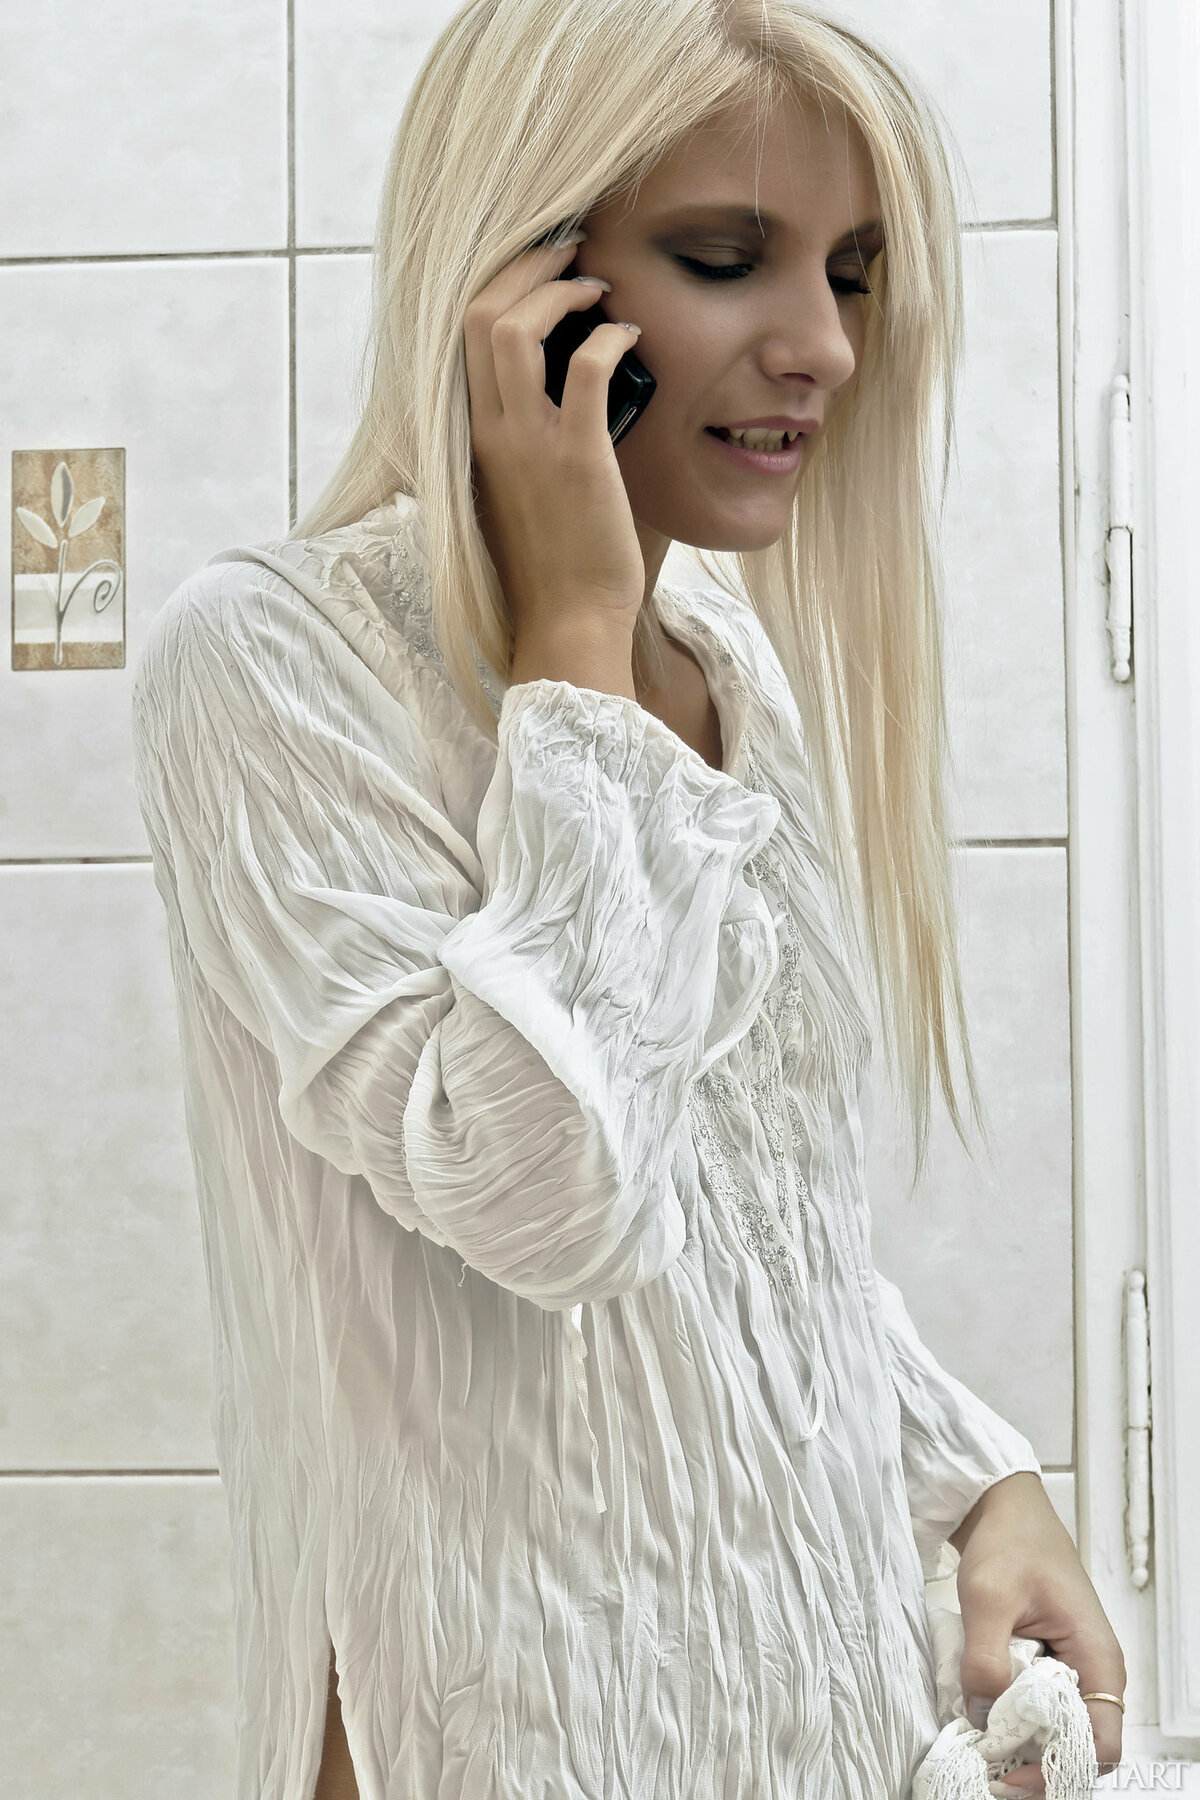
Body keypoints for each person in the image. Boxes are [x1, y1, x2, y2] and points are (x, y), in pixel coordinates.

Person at [130, 2, 1127, 1796]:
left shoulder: (730, 669)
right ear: (527, 293)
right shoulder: (268, 662)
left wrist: (988, 1479)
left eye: (852, 272)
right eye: (728, 260)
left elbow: (757, 1233)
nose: (823, 345)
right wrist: (579, 641)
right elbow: (551, 1196)